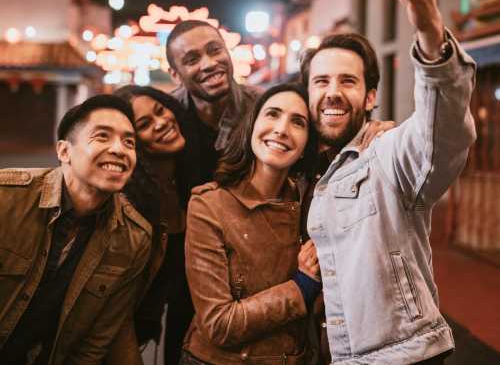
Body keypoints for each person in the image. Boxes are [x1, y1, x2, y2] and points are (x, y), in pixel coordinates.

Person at [301, 0, 476, 364]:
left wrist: (429, 26)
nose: (332, 92)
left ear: (371, 96)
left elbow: (445, 129)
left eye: (348, 81)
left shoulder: (386, 154)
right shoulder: (304, 169)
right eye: (321, 81)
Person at [0, 95, 151, 365]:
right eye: (102, 136)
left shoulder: (134, 238)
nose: (119, 149)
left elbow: (96, 341)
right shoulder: (7, 197)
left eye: (129, 142)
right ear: (63, 151)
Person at [181, 83, 321, 364]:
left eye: (297, 122)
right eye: (272, 114)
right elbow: (218, 324)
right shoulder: (209, 205)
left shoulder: (313, 201)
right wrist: (301, 287)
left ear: (307, 144)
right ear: (251, 126)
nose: (281, 129)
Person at [107, 85, 201, 365]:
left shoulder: (192, 181)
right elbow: (116, 307)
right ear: (133, 141)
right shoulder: (126, 202)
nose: (162, 123)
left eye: (160, 111)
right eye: (145, 124)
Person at [166, 19, 259, 183]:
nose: (209, 64)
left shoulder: (261, 106)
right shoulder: (165, 115)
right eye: (192, 60)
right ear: (175, 75)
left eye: (215, 50)